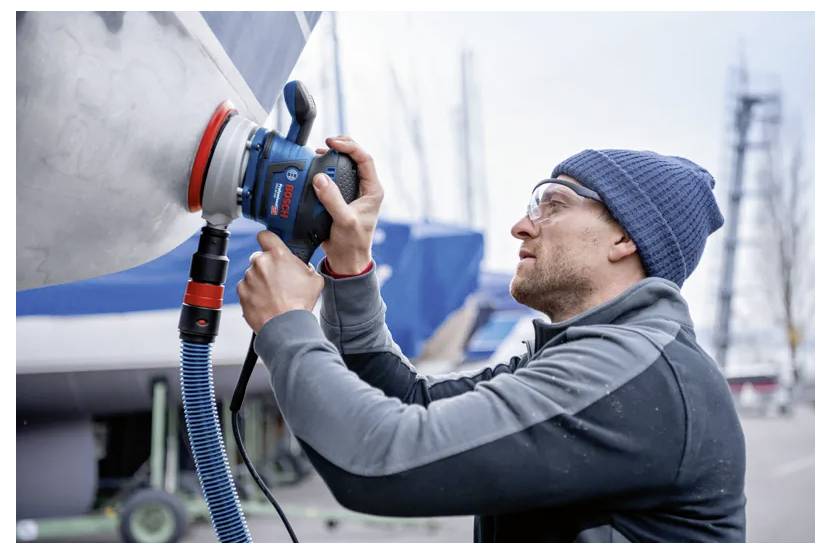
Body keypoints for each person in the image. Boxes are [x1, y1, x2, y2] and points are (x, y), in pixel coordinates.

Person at [237, 137, 746, 542]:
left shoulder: (633, 375)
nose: (522, 226)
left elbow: (380, 461)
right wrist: (350, 269)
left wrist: (287, 323)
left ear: (626, 237)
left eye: (553, 204)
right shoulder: (586, 358)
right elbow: (409, 400)